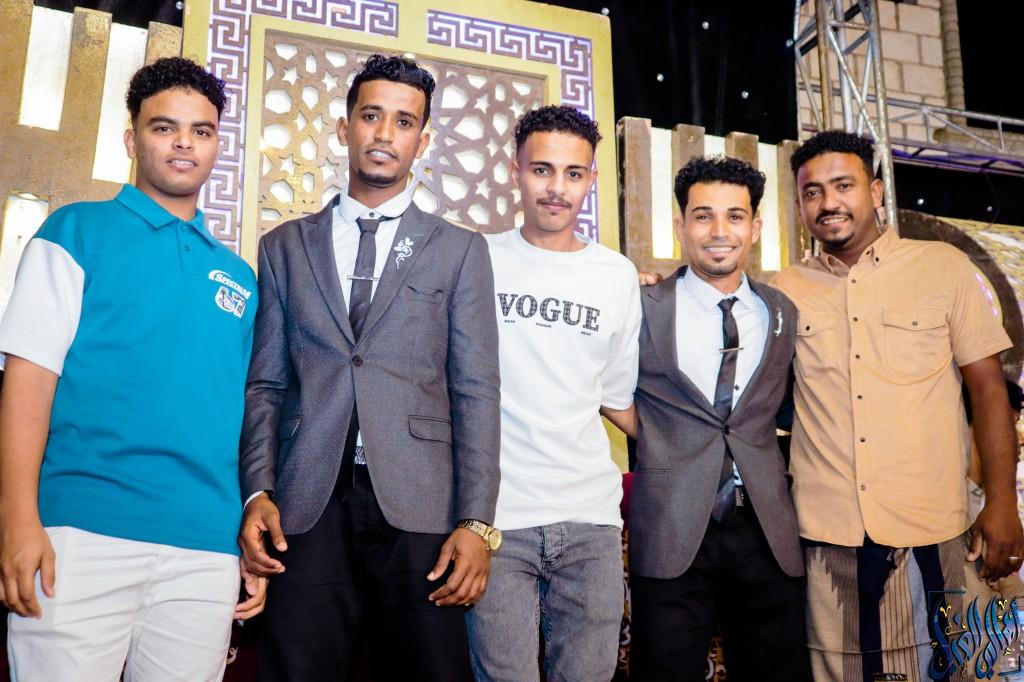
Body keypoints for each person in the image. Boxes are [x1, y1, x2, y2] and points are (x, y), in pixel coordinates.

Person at [238, 53, 502, 680]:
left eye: (404, 122)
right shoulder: (284, 246)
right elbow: (266, 384)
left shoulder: (459, 249)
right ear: (345, 126)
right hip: (307, 500)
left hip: (422, 505)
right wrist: (257, 491)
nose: (385, 134)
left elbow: (476, 391)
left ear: (423, 141)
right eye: (371, 116)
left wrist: (477, 522)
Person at [0, 57, 265, 680]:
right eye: (164, 127)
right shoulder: (74, 231)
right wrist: (16, 519)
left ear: (217, 146)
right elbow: (29, 381)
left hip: (204, 548)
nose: (183, 143)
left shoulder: (240, 277)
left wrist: (240, 543)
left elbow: (239, 412)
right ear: (131, 139)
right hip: (79, 532)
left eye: (201, 131)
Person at [770, 130, 1023, 681]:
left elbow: (988, 389)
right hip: (831, 534)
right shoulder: (784, 290)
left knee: (957, 668)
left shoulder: (942, 267)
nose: (829, 202)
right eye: (813, 192)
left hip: (935, 526)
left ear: (876, 191)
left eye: (843, 185)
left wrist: (1003, 503)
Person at [608, 156, 808, 681]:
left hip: (766, 526)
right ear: (681, 226)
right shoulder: (641, 304)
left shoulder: (781, 311)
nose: (720, 231)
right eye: (703, 216)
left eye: (734, 216)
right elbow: (604, 388)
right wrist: (661, 437)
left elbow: (783, 405)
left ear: (755, 228)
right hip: (671, 523)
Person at [465, 105, 641, 681]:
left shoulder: (615, 275)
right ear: (515, 171)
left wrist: (698, 445)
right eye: (542, 170)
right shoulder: (476, 259)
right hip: (497, 521)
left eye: (573, 173)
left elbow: (617, 397)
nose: (557, 188)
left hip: (591, 519)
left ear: (592, 180)